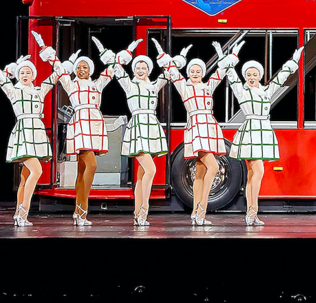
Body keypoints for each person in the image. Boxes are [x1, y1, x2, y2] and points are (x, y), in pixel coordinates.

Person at [226, 47, 304, 225]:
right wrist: (230, 57)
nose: (251, 77)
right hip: (251, 132)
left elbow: (281, 78)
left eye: (254, 74)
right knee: (257, 171)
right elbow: (231, 75)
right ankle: (251, 212)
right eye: (248, 74)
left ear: (259, 75)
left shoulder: (266, 92)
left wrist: (293, 61)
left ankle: (251, 214)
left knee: (254, 174)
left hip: (263, 132)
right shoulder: (242, 91)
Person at [160, 47, 231, 225]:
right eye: (192, 70)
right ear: (188, 72)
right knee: (213, 168)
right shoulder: (185, 87)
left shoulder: (208, 86)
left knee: (200, 171)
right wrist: (167, 54)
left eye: (198, 71)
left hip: (210, 127)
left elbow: (221, 72)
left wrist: (224, 56)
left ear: (203, 72)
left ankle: (195, 213)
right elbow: (174, 73)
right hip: (197, 128)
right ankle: (201, 212)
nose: (195, 73)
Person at [0, 43, 62, 227]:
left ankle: (19, 213)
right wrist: (11, 67)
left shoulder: (40, 90)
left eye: (28, 72)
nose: (24, 75)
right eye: (22, 73)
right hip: (24, 133)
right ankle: (23, 213)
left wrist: (46, 50)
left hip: (37, 133)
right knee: (37, 171)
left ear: (34, 75)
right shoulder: (14, 91)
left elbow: (58, 73)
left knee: (25, 176)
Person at [58, 40, 117, 226]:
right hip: (80, 125)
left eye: (85, 66)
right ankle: (83, 210)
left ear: (90, 70)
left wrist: (103, 51)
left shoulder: (97, 84)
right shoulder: (71, 84)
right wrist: (68, 60)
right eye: (78, 67)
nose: (81, 69)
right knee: (91, 166)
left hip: (95, 125)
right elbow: (59, 69)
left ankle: (78, 212)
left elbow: (113, 69)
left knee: (82, 169)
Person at [113, 40, 165, 226]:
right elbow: (115, 67)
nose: (141, 69)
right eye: (138, 67)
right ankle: (143, 212)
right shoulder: (129, 85)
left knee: (142, 174)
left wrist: (162, 55)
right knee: (151, 169)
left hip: (151, 127)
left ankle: (138, 214)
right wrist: (128, 51)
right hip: (138, 128)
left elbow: (170, 73)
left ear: (149, 70)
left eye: (144, 67)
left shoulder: (153, 86)